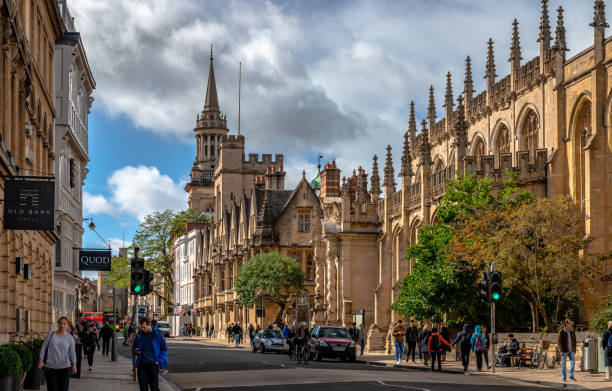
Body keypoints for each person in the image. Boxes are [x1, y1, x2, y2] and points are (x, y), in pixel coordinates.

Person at [38, 317, 77, 391]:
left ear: (68, 325)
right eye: (60, 323)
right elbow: (43, 347)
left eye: (64, 324)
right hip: (51, 367)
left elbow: (72, 353)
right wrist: (41, 360)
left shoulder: (70, 338)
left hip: (65, 367)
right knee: (52, 388)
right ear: (58, 324)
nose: (62, 325)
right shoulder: (51, 334)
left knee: (63, 389)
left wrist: (74, 365)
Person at [133, 317, 168, 391]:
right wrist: (135, 350)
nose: (142, 329)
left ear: (149, 325)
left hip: (153, 365)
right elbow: (134, 346)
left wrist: (158, 360)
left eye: (144, 328)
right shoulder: (139, 334)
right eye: (141, 327)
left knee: (154, 388)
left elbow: (164, 349)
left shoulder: (158, 334)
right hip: (142, 365)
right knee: (142, 388)